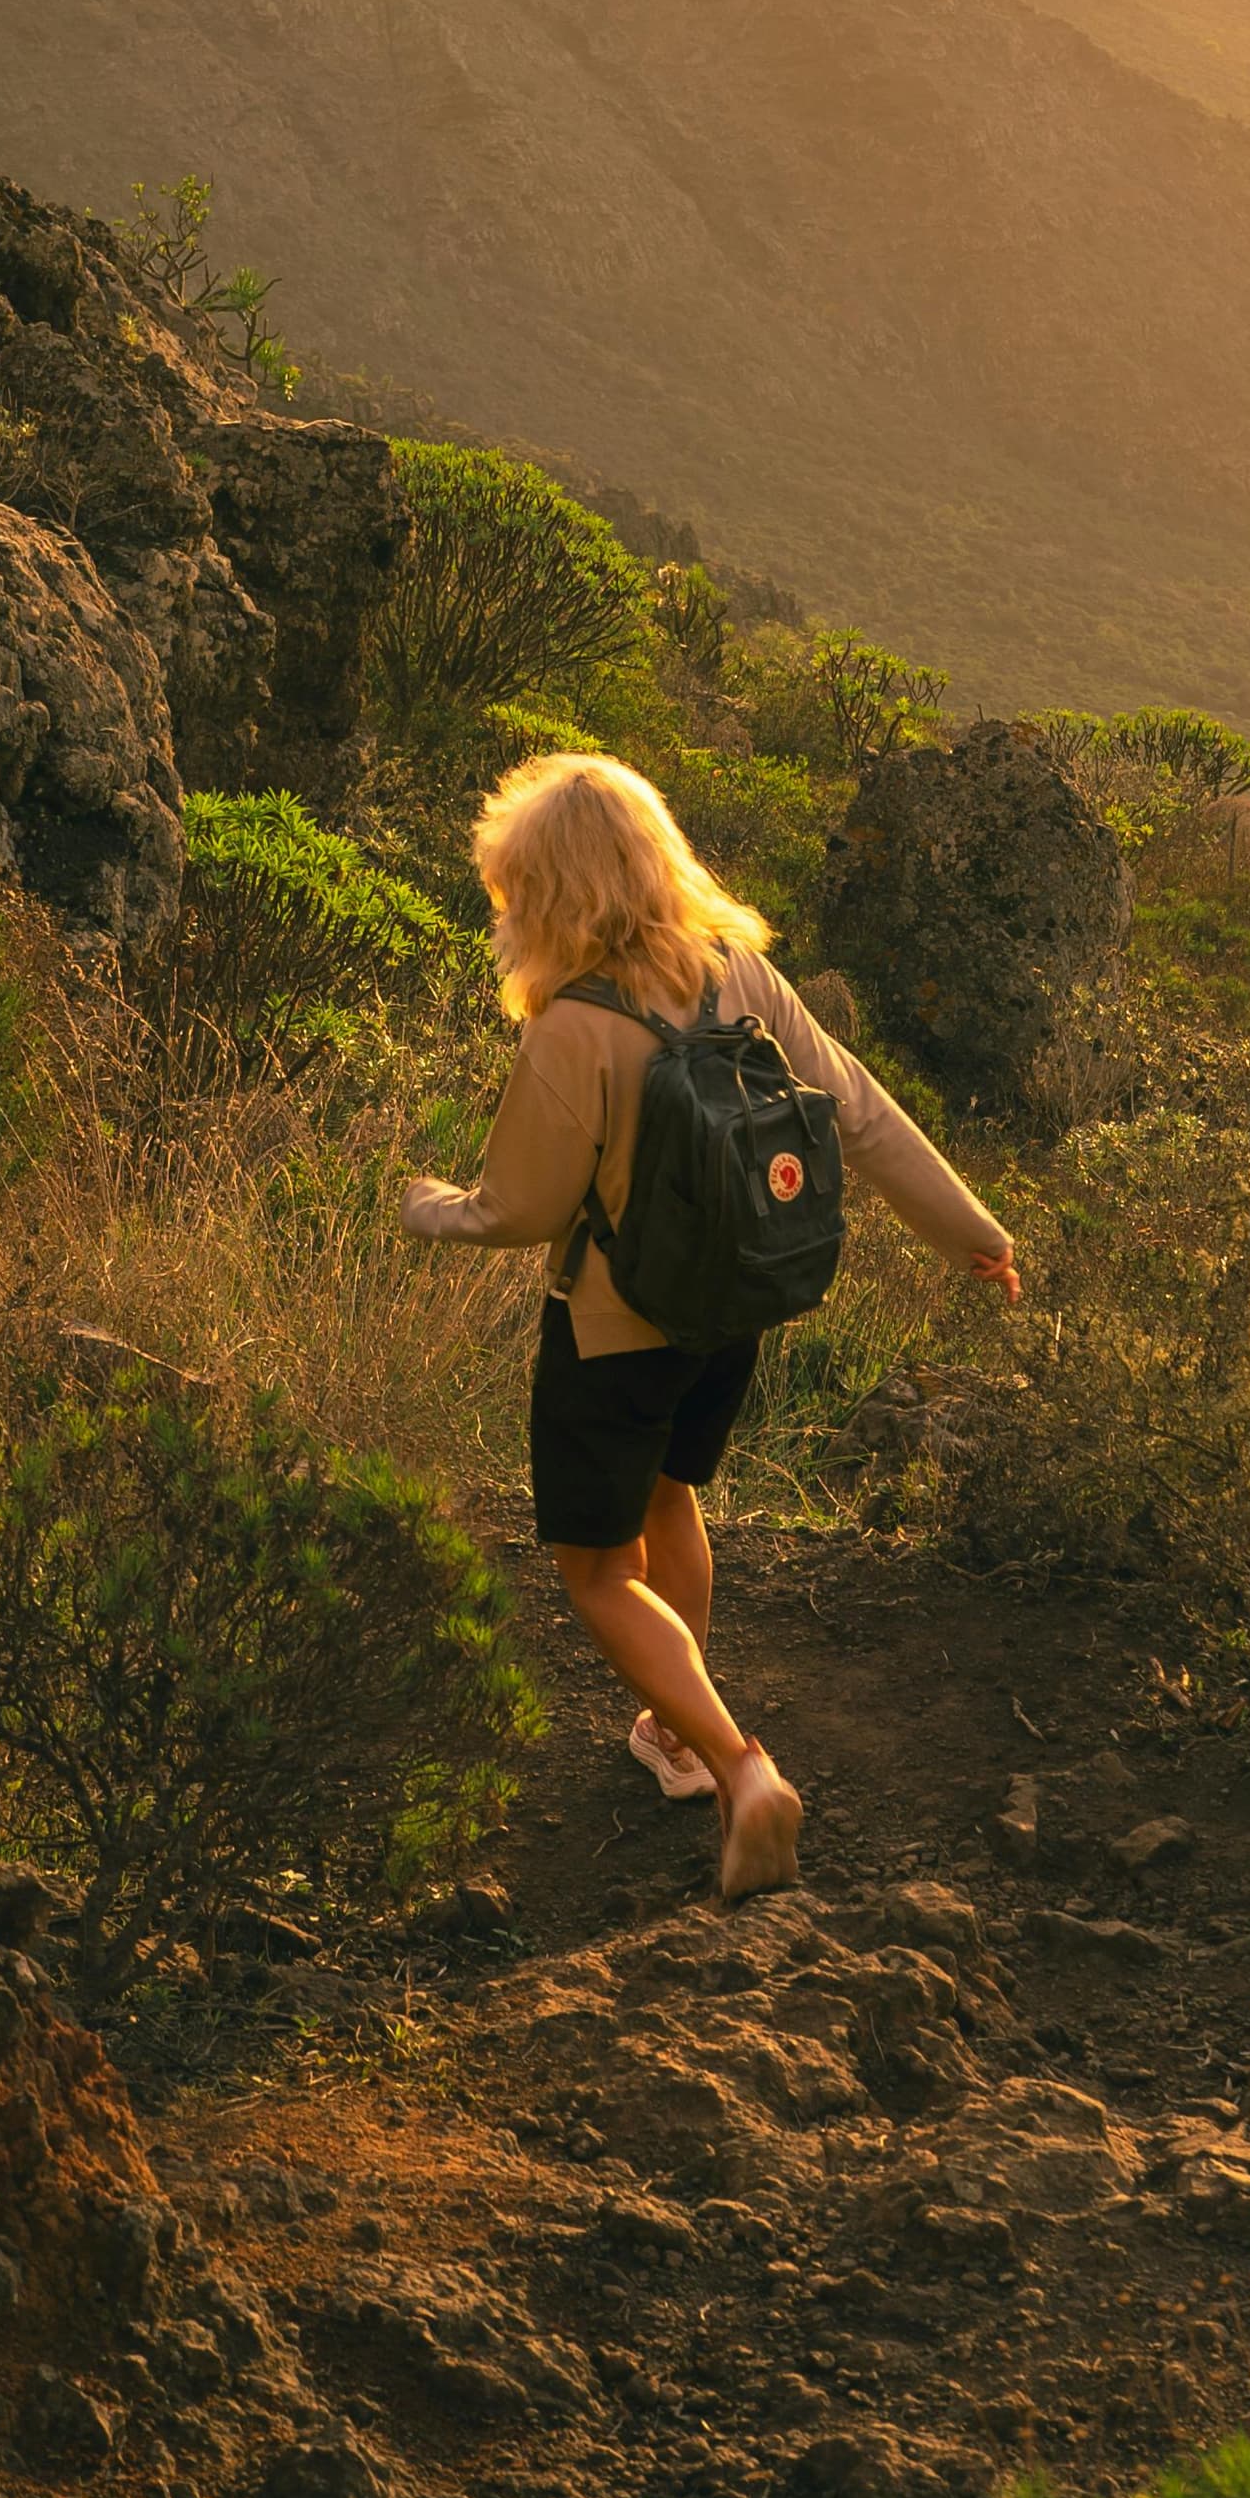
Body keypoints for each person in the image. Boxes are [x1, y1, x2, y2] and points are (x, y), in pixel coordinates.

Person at [400, 748, 1021, 1897]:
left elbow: (525, 1209)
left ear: (541, 888)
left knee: (595, 1571)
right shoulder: (739, 977)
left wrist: (434, 1211)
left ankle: (739, 1769)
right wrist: (973, 1231)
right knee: (669, 1496)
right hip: (731, 1314)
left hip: (614, 1331)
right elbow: (864, 1118)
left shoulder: (574, 1029)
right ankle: (672, 1738)